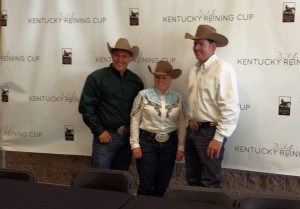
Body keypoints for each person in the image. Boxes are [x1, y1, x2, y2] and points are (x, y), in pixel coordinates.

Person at [184, 25, 240, 187]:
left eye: (201, 44)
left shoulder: (223, 69)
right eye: (195, 44)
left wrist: (219, 137)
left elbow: (230, 107)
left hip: (210, 133)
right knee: (192, 180)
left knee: (210, 182)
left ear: (213, 46)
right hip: (192, 131)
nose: (196, 48)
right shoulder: (194, 70)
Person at [78, 38, 144, 170]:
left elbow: (139, 111)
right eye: (117, 55)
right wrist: (99, 131)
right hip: (106, 137)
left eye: (124, 56)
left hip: (127, 138)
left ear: (130, 58)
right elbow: (86, 107)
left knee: (120, 176)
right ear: (112, 56)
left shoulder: (136, 81)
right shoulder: (96, 78)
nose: (120, 59)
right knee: (99, 177)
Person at [130, 60, 187, 197]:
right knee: (146, 184)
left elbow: (181, 122)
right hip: (147, 142)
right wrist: (135, 144)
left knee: (163, 184)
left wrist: (181, 147)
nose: (160, 80)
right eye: (157, 77)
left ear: (171, 78)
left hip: (170, 143)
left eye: (164, 77)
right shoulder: (143, 95)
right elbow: (135, 119)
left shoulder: (178, 97)